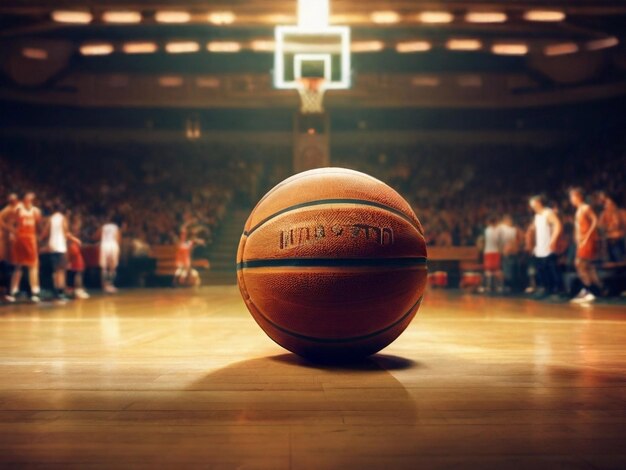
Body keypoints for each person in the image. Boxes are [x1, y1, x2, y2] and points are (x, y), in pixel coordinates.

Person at [5, 193, 42, 303]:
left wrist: (38, 239)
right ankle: (13, 292)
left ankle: (35, 292)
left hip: (31, 240)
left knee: (33, 266)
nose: (27, 200)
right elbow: (11, 223)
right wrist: (14, 233)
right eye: (26, 197)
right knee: (18, 266)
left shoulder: (36, 211)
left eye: (30, 198)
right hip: (21, 240)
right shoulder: (18, 210)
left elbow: (39, 227)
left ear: (33, 201)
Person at [569, 188, 604, 303]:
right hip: (582, 241)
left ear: (578, 196)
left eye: (573, 196)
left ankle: (589, 290)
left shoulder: (585, 208)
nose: (571, 199)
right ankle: (595, 290)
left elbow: (595, 220)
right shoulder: (579, 209)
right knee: (587, 266)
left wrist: (587, 236)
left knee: (580, 264)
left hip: (587, 241)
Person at [41, 203, 80, 300]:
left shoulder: (50, 219)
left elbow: (45, 233)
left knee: (55, 270)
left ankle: (56, 292)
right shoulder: (63, 219)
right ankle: (61, 291)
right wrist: (73, 239)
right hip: (61, 246)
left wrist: (41, 240)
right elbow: (65, 232)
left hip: (52, 246)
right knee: (61, 270)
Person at [528, 195, 563, 298]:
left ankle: (558, 291)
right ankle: (546, 289)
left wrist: (553, 240)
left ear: (539, 202)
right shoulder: (537, 216)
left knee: (552, 269)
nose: (531, 205)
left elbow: (558, 225)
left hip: (548, 247)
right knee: (541, 270)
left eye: (533, 203)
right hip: (540, 247)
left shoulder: (548, 213)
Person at [0, 193, 20, 297]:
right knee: (6, 265)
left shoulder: (17, 209)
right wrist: (11, 229)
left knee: (12, 266)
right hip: (5, 242)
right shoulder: (6, 211)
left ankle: (11, 290)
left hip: (11, 242)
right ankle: (7, 291)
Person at [499, 214, 524, 292]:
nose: (510, 221)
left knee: (513, 270)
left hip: (513, 253)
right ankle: (509, 287)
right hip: (507, 253)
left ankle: (514, 287)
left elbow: (521, 238)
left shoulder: (514, 229)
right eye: (508, 220)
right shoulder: (502, 228)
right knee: (508, 271)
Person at [598, 193, 626, 262]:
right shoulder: (604, 214)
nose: (606, 205)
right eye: (606, 204)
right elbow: (600, 227)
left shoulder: (622, 213)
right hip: (609, 241)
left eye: (609, 203)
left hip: (621, 240)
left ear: (615, 204)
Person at [67, 215, 89, 299]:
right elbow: (75, 244)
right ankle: (74, 291)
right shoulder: (69, 234)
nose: (78, 226)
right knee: (73, 274)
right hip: (72, 256)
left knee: (78, 273)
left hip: (76, 256)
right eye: (77, 223)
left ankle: (78, 290)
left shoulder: (75, 234)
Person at [98, 216, 121, 294]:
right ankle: (111, 285)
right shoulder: (115, 227)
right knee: (112, 267)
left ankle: (104, 286)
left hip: (104, 245)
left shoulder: (103, 227)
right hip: (113, 245)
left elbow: (98, 236)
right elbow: (118, 238)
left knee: (104, 267)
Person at [480, 216, 503, 293]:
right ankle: (498, 287)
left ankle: (488, 287)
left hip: (488, 252)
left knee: (488, 270)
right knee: (496, 270)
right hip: (495, 251)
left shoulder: (487, 230)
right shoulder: (497, 230)